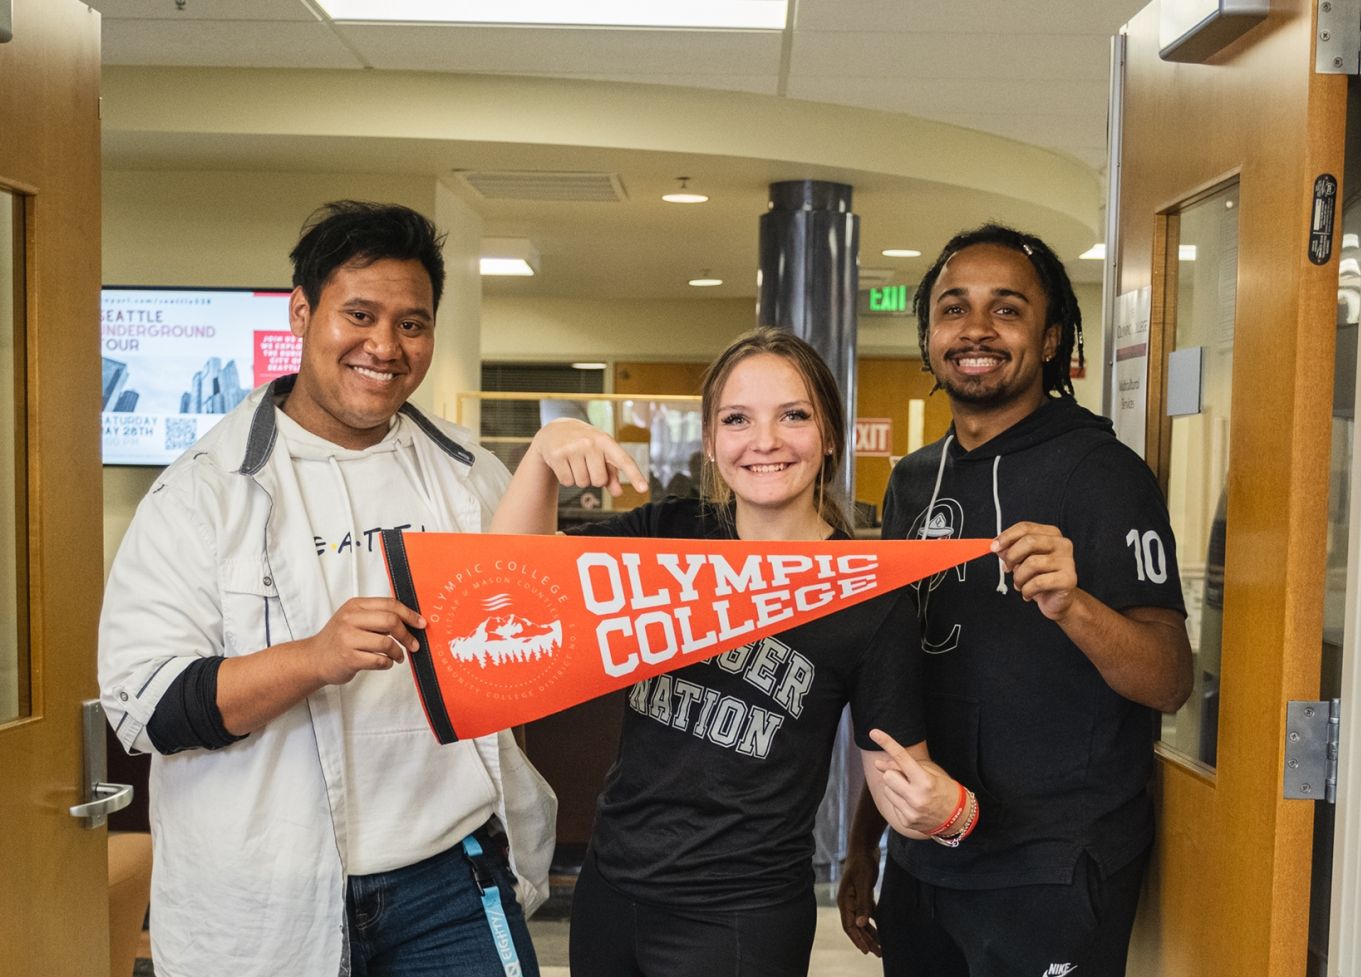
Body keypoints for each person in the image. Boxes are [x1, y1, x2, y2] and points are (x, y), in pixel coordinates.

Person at [98, 201, 556, 977]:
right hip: (266, 891)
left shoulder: (470, 476)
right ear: (303, 311)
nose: (385, 345)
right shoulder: (203, 493)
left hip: (450, 876)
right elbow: (149, 708)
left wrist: (551, 459)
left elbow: (535, 633)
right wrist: (313, 656)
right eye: (359, 314)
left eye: (412, 323)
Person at [490, 327, 972, 977]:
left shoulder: (866, 593)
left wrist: (950, 811)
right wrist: (543, 452)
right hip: (611, 891)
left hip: (739, 918)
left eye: (794, 415)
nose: (765, 440)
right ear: (712, 444)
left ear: (830, 434)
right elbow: (511, 590)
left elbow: (899, 784)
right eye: (737, 419)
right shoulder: (665, 535)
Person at [838, 224, 1192, 977]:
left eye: (1006, 309)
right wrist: (864, 837)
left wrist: (1074, 605)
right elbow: (890, 679)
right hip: (926, 859)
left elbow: (1170, 677)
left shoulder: (1104, 473)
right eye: (953, 308)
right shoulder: (910, 479)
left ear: (1052, 335)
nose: (975, 329)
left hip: (1054, 867)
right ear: (929, 334)